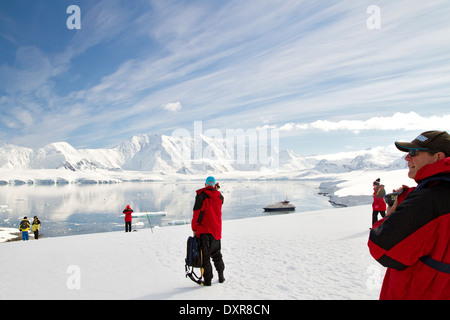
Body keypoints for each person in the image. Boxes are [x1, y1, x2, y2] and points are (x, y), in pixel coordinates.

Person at [368, 130, 450, 300]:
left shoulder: (429, 199)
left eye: (413, 152)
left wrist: (391, 215)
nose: (407, 158)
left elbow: (383, 249)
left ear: (438, 157)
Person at [192, 176, 225, 286]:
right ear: (214, 185)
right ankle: (221, 276)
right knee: (217, 254)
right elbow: (218, 198)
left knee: (205, 257)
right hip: (216, 231)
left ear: (205, 184)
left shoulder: (201, 195)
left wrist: (194, 228)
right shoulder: (219, 197)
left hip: (205, 231)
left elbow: (197, 213)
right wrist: (216, 190)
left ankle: (208, 281)